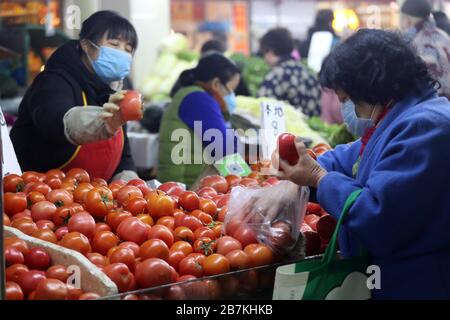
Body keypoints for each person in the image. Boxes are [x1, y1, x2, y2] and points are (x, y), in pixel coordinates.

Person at [250, 29, 450, 299]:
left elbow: (379, 216)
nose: (346, 109)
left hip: (419, 284)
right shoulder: (400, 120)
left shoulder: (426, 126)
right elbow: (350, 156)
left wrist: (319, 178)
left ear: (371, 88)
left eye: (347, 100)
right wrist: (297, 180)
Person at [10, 11, 139, 181]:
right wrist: (103, 122)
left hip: (96, 201)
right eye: (114, 44)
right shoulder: (53, 80)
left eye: (128, 49)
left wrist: (132, 188)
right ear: (86, 45)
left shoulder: (114, 93)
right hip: (42, 196)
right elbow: (54, 121)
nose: (122, 53)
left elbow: (124, 158)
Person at [158, 53, 241, 186]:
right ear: (216, 83)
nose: (231, 96)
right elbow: (224, 149)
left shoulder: (188, 93)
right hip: (185, 188)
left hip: (175, 185)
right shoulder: (198, 99)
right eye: (230, 90)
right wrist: (246, 180)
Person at [258, 28, 322, 117]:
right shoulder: (308, 74)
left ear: (270, 51)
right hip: (312, 129)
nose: (265, 59)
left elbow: (263, 111)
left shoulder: (274, 77)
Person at [400, 0, 450, 100]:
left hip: (432, 104)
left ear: (407, 19)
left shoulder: (417, 41)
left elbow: (425, 83)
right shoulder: (443, 35)